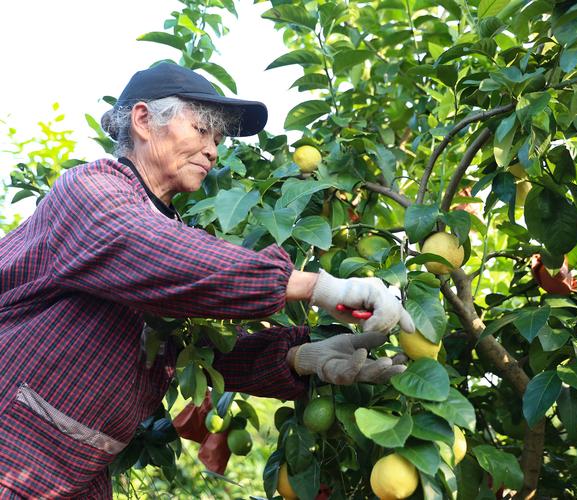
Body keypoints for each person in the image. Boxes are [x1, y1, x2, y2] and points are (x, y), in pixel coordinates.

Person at [0, 62, 414, 499]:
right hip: (15, 447)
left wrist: (299, 357)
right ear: (143, 120)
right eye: (201, 130)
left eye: (217, 139)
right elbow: (151, 250)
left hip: (75, 473)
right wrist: (318, 286)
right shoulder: (92, 192)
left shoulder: (171, 234)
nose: (213, 151)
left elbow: (195, 349)